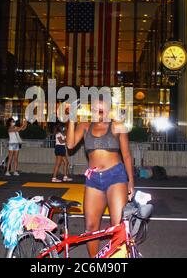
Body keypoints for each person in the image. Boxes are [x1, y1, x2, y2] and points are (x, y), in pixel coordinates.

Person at [64, 99, 135, 257]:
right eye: (96, 109)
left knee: (117, 226)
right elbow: (69, 144)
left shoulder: (117, 125)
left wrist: (131, 182)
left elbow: (127, 156)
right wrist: (72, 118)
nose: (98, 112)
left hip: (116, 176)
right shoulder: (84, 126)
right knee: (90, 227)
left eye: (102, 110)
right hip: (93, 179)